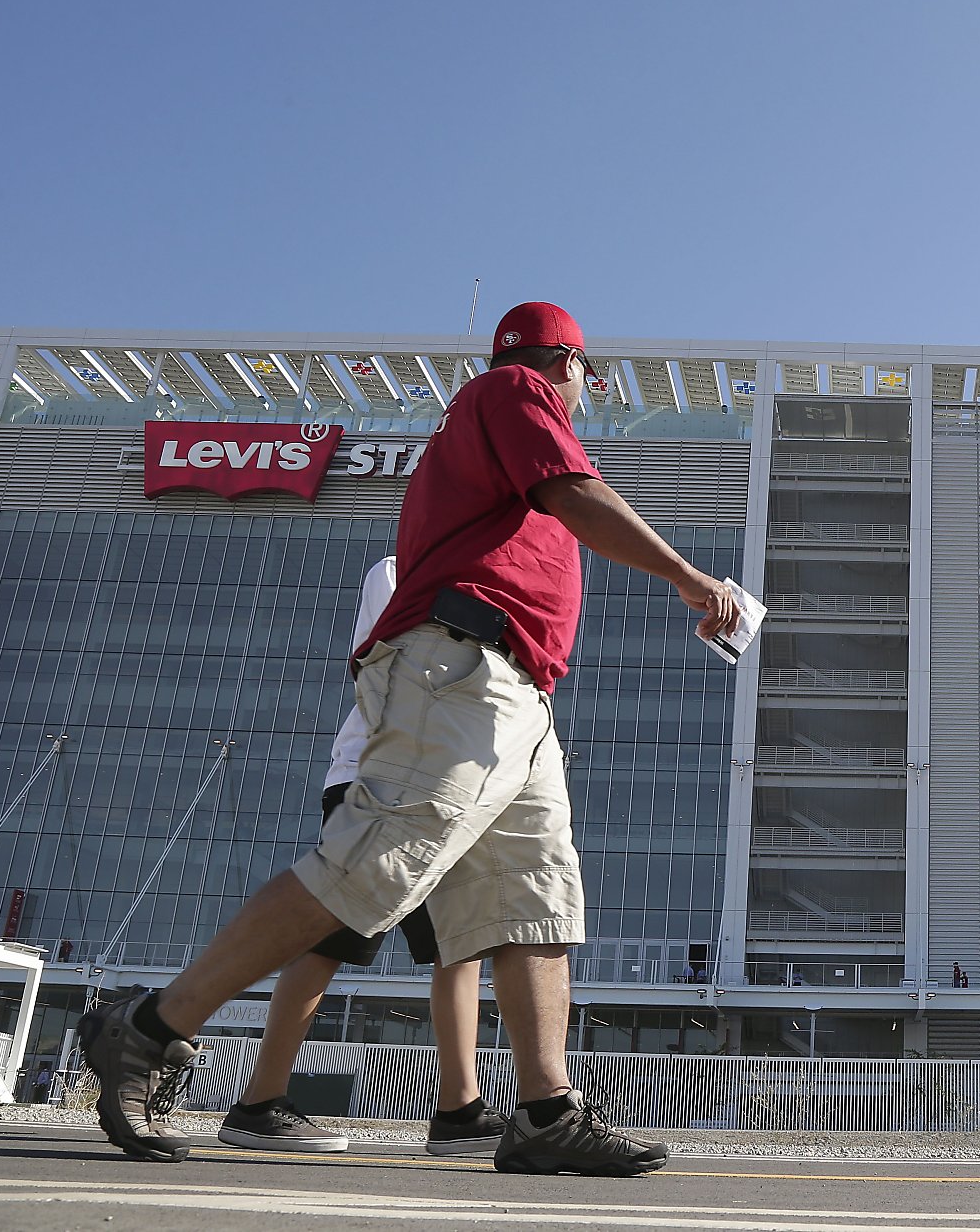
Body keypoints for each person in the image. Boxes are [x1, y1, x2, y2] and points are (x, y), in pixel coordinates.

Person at [78, 302, 739, 1173]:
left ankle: (545, 1113)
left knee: (534, 901)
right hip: (462, 664)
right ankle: (151, 1028)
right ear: (567, 362)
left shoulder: (496, 429)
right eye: (590, 376)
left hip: (521, 694)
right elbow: (577, 494)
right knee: (369, 868)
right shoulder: (510, 389)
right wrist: (690, 579)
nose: (587, 393)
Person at [217, 557, 504, 1156]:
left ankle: (459, 1110)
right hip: (381, 773)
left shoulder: (486, 572)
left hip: (458, 780)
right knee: (330, 934)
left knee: (461, 941)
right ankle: (257, 1103)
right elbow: (403, 663)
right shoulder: (401, 568)